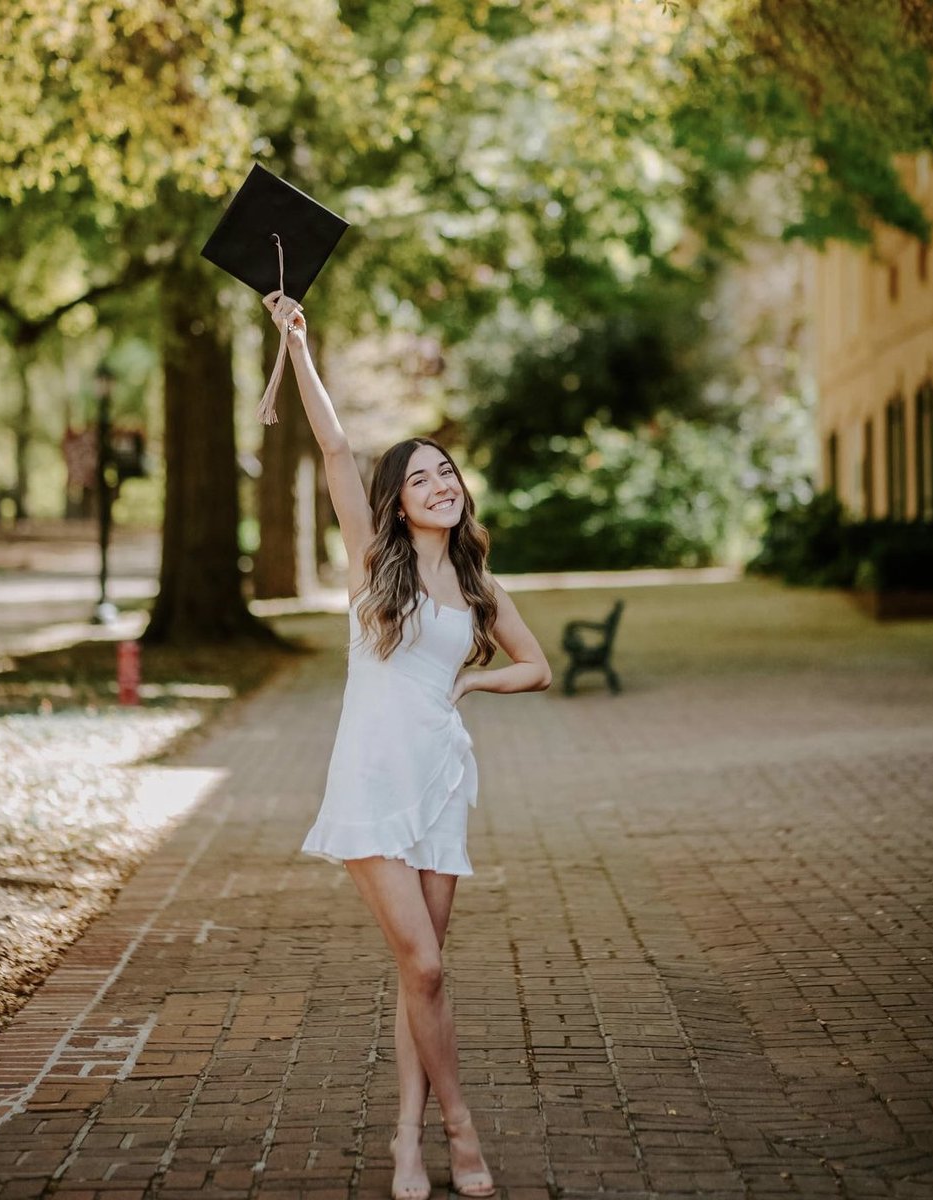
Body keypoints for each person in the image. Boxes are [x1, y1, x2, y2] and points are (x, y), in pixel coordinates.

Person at [263, 290, 552, 1200]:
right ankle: (460, 1129)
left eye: (447, 472)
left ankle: (405, 1140)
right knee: (423, 963)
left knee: (418, 975)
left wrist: (469, 683)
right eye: (421, 478)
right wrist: (298, 347)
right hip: (369, 783)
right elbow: (335, 449)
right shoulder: (370, 567)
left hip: (439, 780)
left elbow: (537, 668)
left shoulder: (479, 583)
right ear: (397, 500)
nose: (440, 485)